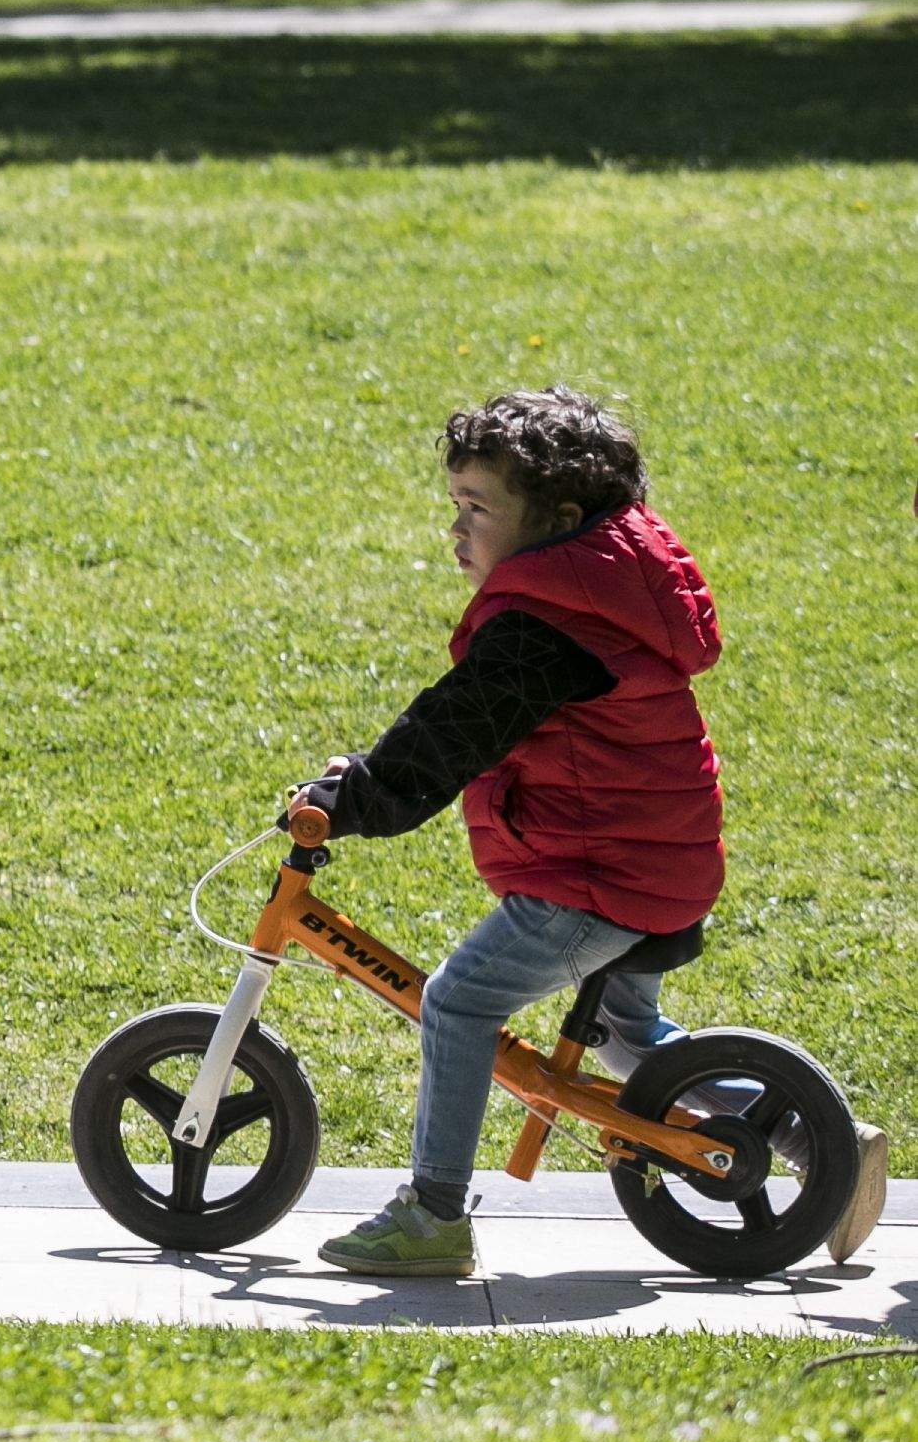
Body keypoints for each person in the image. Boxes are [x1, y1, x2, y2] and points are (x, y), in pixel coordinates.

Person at [296, 387, 884, 1278]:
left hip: (600, 874)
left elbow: (454, 732)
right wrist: (367, 779)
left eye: (477, 509)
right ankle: (816, 1138)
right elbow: (464, 723)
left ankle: (432, 1214)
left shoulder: (546, 624)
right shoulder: (604, 594)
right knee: (625, 1034)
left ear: (558, 519)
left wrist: (360, 799)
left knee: (457, 1001)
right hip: (652, 860)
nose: (455, 530)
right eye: (453, 505)